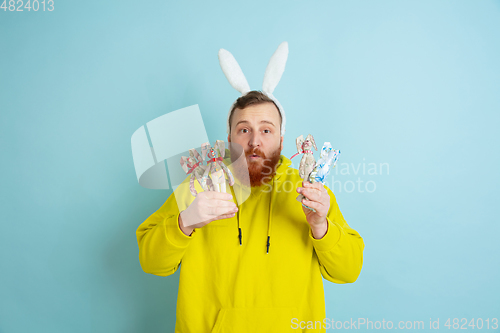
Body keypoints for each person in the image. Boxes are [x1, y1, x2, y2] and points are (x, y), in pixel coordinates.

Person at [136, 90, 365, 333]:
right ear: (229, 137)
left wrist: (321, 227)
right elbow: (152, 263)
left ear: (281, 140)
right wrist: (185, 222)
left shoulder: (310, 192)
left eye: (266, 130)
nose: (255, 141)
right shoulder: (199, 186)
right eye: (244, 130)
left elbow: (348, 271)